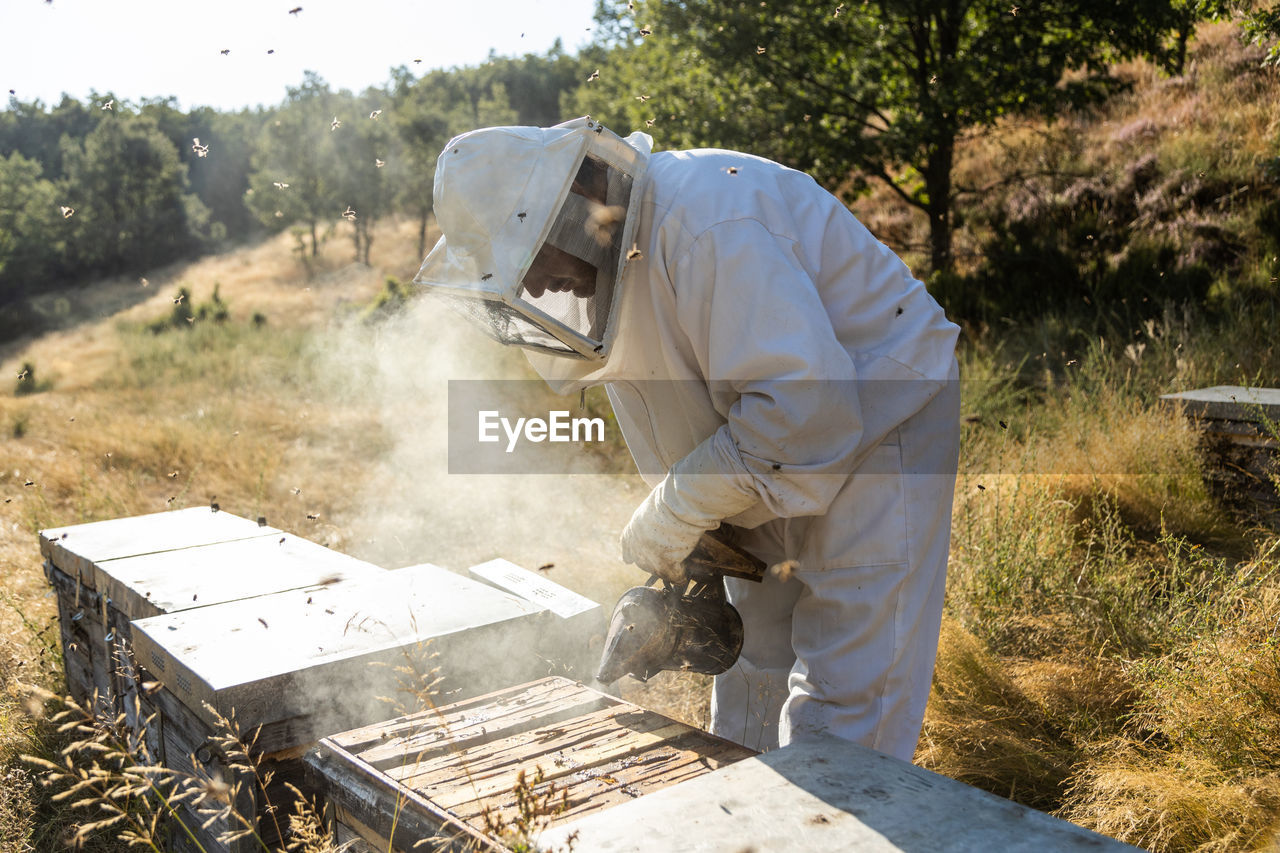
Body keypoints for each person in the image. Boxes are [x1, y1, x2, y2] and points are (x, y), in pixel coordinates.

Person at [414, 117, 960, 762]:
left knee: (850, 685)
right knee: (755, 657)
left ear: (580, 196)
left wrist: (677, 509)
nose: (532, 287)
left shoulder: (711, 220)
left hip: (879, 419)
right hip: (754, 450)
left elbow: (800, 409)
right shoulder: (616, 257)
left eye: (528, 255)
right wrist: (691, 526)